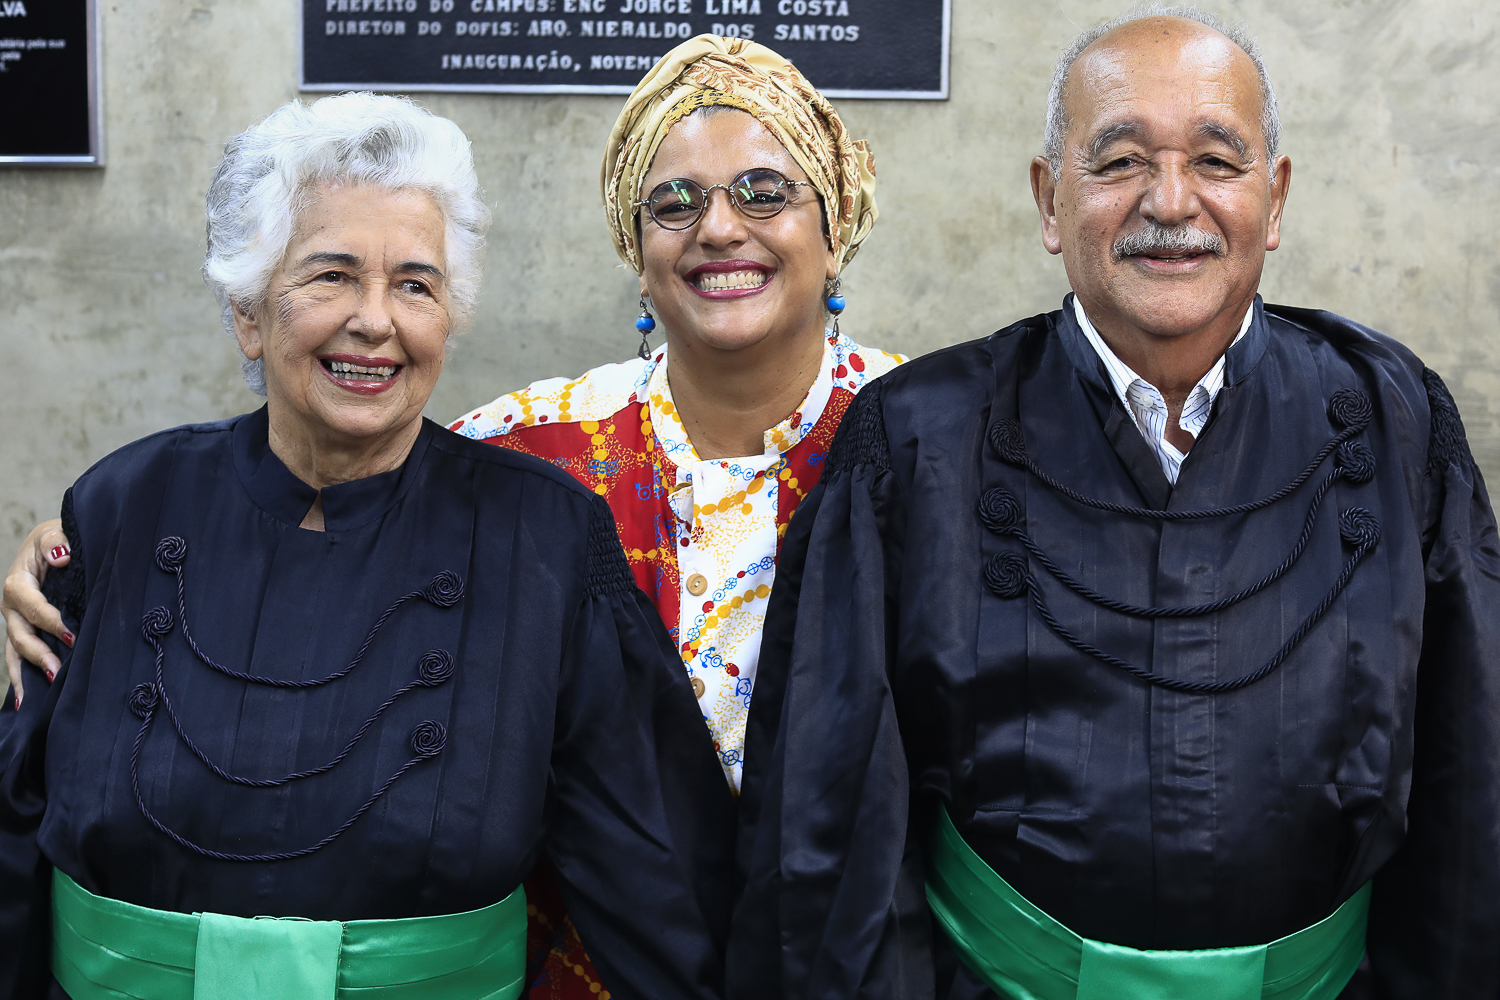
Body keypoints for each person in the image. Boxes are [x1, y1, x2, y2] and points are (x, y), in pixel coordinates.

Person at [2, 34, 902, 1000]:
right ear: (247, 313)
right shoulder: (123, 508)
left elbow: (664, 882)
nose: (376, 321)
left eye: (415, 285)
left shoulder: (550, 531)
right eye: (330, 275)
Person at [731, 8, 1500, 1000]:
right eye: (1122, 160)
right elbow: (827, 820)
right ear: (1052, 201)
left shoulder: (1390, 417)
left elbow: (1473, 786)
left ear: (1275, 199)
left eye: (1217, 161)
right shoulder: (917, 439)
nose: (1170, 201)